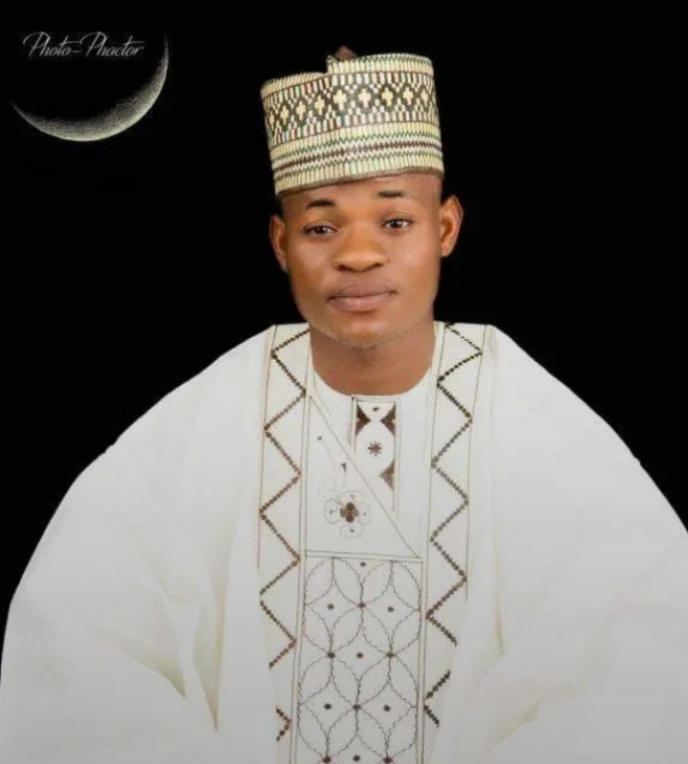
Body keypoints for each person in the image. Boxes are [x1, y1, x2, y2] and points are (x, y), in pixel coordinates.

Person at [1, 46, 686, 764]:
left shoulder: (528, 419)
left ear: (445, 228)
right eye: (322, 227)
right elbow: (83, 640)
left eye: (395, 222)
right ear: (280, 242)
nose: (358, 254)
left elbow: (642, 652)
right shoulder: (207, 423)